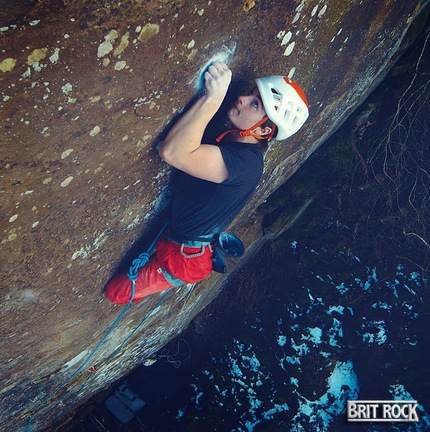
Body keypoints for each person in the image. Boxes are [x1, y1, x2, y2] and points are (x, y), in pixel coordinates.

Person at [106, 62, 309, 304]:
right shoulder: (232, 141)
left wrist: (213, 98)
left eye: (255, 104)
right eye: (252, 94)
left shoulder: (246, 164)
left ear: (264, 131)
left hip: (185, 259)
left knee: (117, 292)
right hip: (184, 240)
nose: (242, 98)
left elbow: (173, 152)